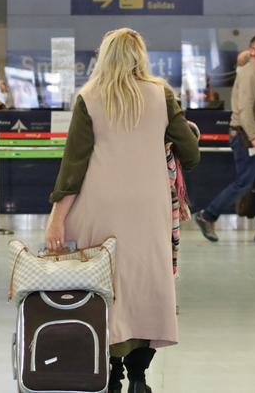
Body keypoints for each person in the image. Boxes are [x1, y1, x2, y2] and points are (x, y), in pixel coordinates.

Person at [46, 28, 200, 393]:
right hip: (150, 209)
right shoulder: (161, 95)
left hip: (98, 207)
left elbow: (73, 166)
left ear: (104, 56)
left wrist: (56, 220)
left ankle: (110, 372)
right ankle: (140, 377)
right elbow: (190, 155)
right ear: (140, 56)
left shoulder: (89, 97)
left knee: (105, 287)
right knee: (147, 284)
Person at [195, 35, 255, 244]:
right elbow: (245, 108)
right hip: (247, 136)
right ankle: (207, 215)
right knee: (244, 182)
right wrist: (254, 137)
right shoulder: (249, 74)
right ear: (252, 51)